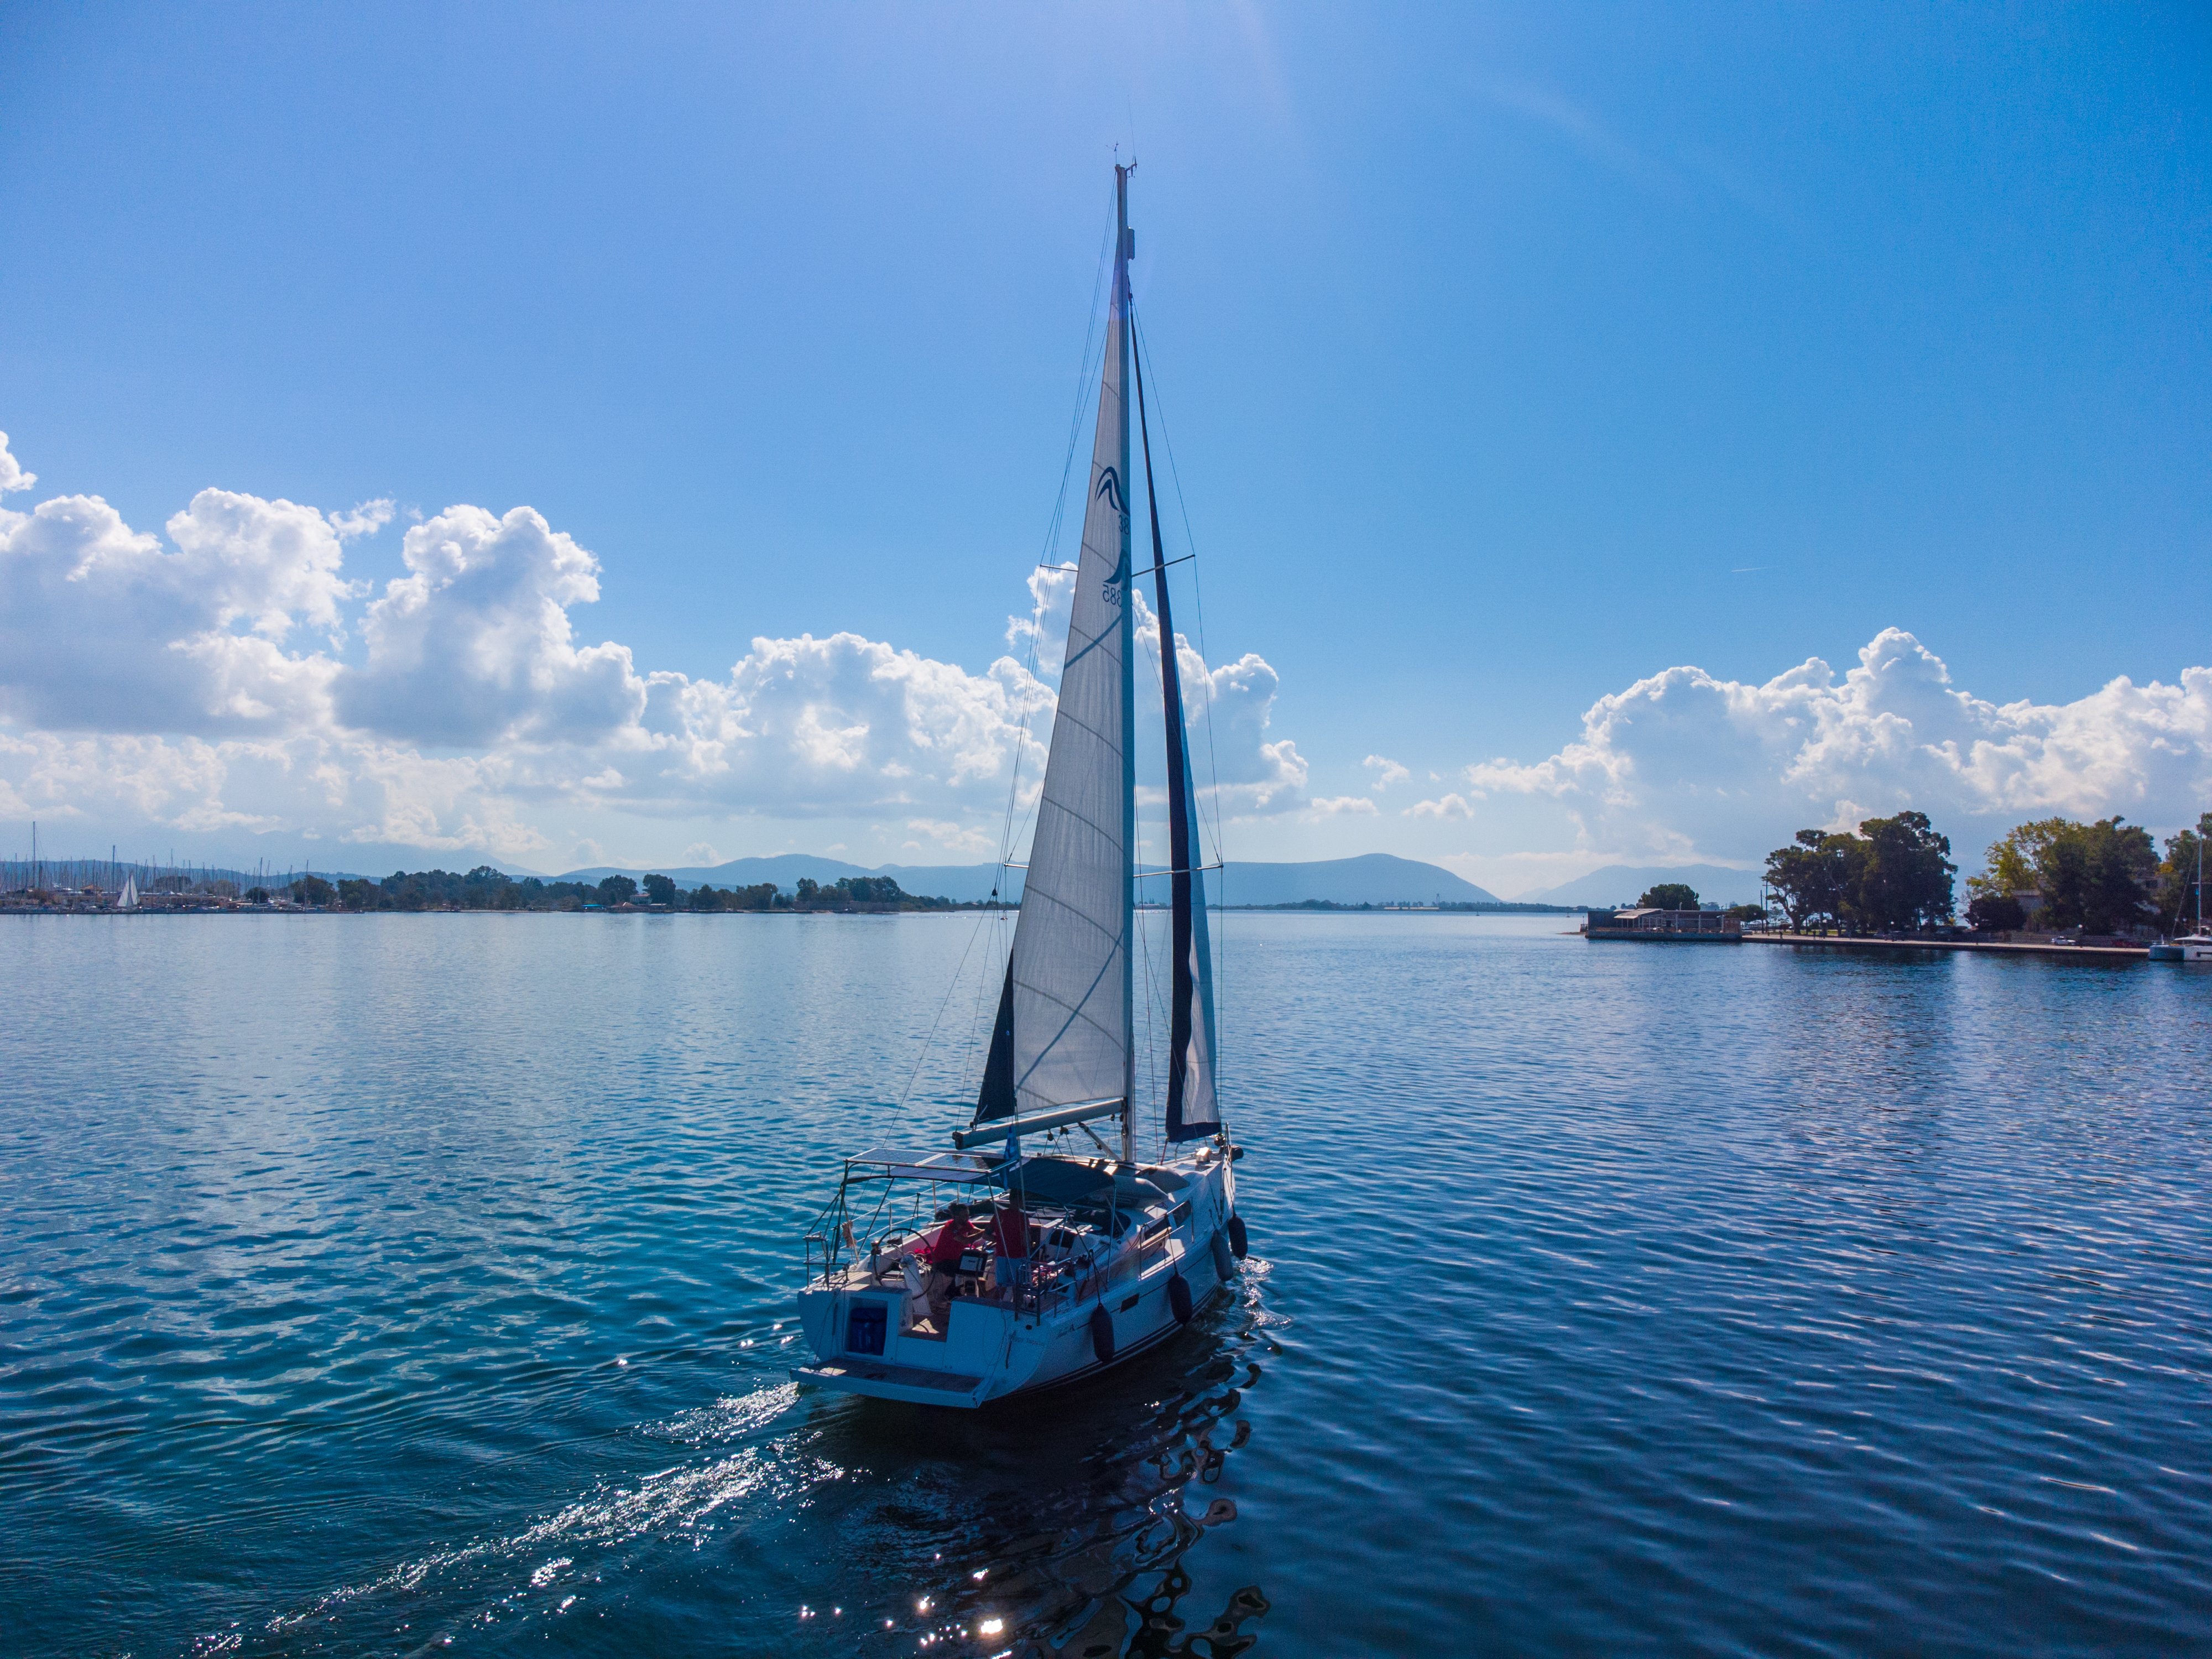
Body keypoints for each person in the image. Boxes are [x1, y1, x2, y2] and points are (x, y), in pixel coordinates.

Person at [919, 1201, 980, 1328]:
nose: (967, 1218)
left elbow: (976, 1230)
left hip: (956, 1258)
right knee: (962, 1270)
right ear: (956, 1217)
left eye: (968, 1215)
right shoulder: (950, 1228)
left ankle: (961, 1297)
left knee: (973, 1266)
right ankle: (950, 1295)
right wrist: (984, 1233)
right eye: (964, 1216)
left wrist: (988, 1231)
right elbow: (966, 1240)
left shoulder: (966, 1224)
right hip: (942, 1261)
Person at [990, 1198, 1030, 1299]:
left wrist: (1000, 1240)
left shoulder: (999, 1215)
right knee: (1018, 1288)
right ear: (1019, 1201)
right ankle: (1017, 1308)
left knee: (1001, 1287)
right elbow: (1026, 1241)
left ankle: (994, 1306)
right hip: (1017, 1256)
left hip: (1002, 1256)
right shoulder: (1022, 1217)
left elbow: (986, 1235)